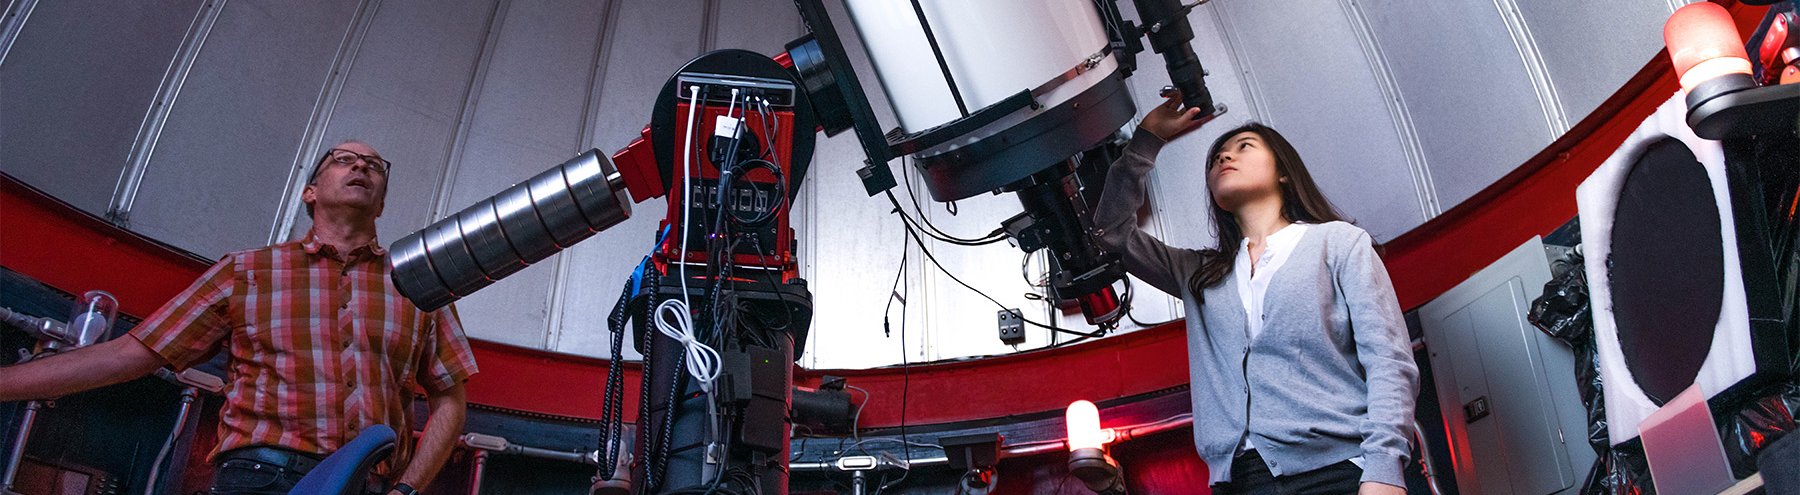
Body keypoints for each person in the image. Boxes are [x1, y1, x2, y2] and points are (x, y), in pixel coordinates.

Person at [0, 141, 479, 495]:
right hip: (260, 477)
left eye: (374, 166)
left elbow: (449, 400)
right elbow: (131, 354)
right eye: (343, 159)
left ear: (382, 202)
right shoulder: (246, 271)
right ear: (310, 193)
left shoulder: (419, 282)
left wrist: (409, 490)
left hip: (372, 485)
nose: (361, 166)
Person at [1094, 98, 1419, 494]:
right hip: (1240, 481)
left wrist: (1385, 467)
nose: (1226, 156)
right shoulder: (1197, 273)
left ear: (1283, 172)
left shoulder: (1338, 243)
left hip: (1338, 472)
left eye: (1244, 146)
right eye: (1216, 158)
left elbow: (1389, 360)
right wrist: (1146, 142)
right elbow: (1111, 233)